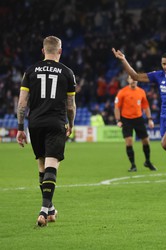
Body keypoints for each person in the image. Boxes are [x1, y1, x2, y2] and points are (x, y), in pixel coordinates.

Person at [16, 36, 76, 227]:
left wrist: (19, 128)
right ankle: (43, 210)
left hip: (35, 123)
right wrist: (71, 123)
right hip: (56, 122)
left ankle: (50, 209)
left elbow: (21, 103)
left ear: (43, 51)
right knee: (52, 166)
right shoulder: (67, 72)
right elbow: (71, 105)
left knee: (42, 166)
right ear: (60, 51)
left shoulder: (30, 70)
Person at [112, 49, 166, 189]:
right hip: (164, 117)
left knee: (165, 143)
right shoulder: (158, 75)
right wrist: (123, 60)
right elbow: (135, 76)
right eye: (164, 64)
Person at [114, 75, 156, 172]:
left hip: (138, 119)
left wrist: (150, 119)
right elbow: (117, 107)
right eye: (131, 78)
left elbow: (146, 106)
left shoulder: (141, 91)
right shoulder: (122, 92)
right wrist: (118, 120)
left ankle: (147, 161)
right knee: (129, 141)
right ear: (128, 80)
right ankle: (133, 165)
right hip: (126, 119)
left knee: (146, 141)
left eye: (135, 79)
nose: (133, 80)